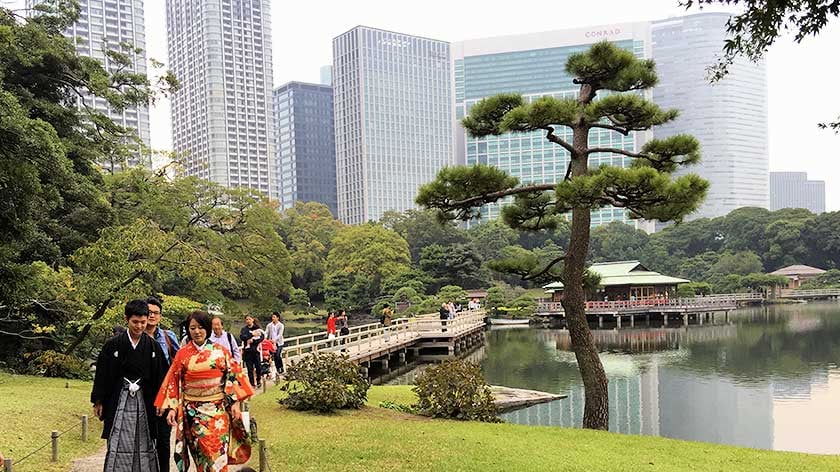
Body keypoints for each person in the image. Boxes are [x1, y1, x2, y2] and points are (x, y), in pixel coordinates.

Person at [155, 311, 255, 472]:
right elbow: (174, 381)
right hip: (193, 413)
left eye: (200, 327)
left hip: (218, 412)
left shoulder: (221, 351)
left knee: (217, 455)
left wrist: (236, 403)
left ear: (207, 329)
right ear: (188, 330)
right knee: (202, 454)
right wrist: (172, 408)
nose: (196, 331)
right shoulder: (182, 354)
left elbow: (234, 377)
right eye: (192, 328)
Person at [91, 299, 168, 472]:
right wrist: (98, 400)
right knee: (118, 438)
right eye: (135, 322)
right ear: (126, 319)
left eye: (143, 322)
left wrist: (163, 401)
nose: (139, 326)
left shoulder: (153, 347)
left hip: (144, 401)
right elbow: (102, 375)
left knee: (145, 439)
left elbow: (162, 377)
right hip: (119, 400)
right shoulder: (113, 345)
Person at [145, 297, 180, 472]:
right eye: (149, 312)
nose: (152, 316)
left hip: (165, 395)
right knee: (142, 440)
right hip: (141, 395)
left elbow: (178, 365)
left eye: (155, 313)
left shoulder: (168, 336)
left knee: (163, 441)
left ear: (160, 316)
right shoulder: (135, 335)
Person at [239, 315, 264, 388]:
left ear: (252, 320)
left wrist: (253, 340)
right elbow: (242, 337)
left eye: (249, 319)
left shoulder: (257, 328)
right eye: (246, 319)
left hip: (256, 351)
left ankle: (258, 380)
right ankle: (252, 384)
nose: (248, 321)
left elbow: (262, 337)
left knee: (258, 367)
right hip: (247, 352)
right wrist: (251, 334)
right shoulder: (244, 329)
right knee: (250, 369)